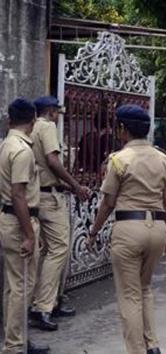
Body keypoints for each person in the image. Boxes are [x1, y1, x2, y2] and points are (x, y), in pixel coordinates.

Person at [86, 104, 166, 354]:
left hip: (128, 229)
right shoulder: (163, 159)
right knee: (145, 288)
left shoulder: (118, 160)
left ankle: (136, 350)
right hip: (157, 227)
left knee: (129, 295)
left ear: (123, 129)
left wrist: (93, 231)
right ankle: (152, 345)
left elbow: (107, 203)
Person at [28, 96, 90, 331]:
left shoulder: (31, 128)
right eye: (57, 112)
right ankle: (43, 306)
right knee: (59, 250)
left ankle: (45, 300)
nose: (58, 116)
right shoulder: (47, 126)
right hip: (50, 197)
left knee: (46, 252)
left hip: (36, 195)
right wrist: (75, 185)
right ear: (52, 111)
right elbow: (53, 161)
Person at [0, 98, 50, 354]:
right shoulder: (22, 150)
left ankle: (16, 339)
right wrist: (30, 235)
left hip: (11, 220)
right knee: (22, 287)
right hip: (20, 221)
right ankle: (15, 346)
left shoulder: (6, 144)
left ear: (11, 120)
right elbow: (18, 194)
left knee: (14, 286)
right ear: (32, 121)